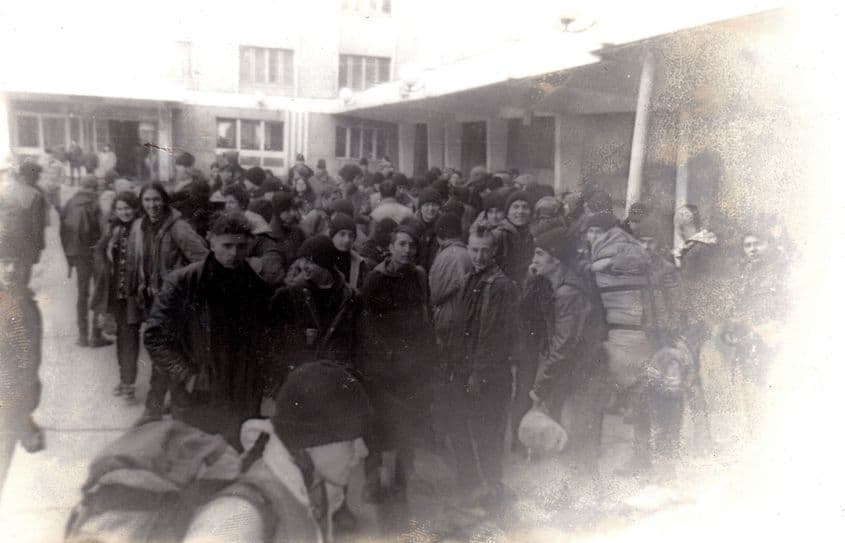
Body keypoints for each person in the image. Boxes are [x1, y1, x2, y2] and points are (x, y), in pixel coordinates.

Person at [183, 361, 371, 543]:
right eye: (351, 440)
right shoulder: (236, 516)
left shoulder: (318, 489)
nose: (363, 451)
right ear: (308, 442)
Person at [143, 214, 274, 448]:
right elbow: (155, 336)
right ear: (211, 241)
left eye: (241, 246)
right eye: (227, 246)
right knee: (195, 464)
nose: (234, 254)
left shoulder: (258, 288)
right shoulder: (184, 283)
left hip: (241, 399)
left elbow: (266, 343)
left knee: (233, 464)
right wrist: (186, 375)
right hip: (198, 397)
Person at [358, 225, 434, 504]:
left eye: (411, 245)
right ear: (390, 247)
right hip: (382, 365)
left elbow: (425, 318)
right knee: (376, 423)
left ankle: (401, 480)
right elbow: (365, 324)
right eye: (401, 244)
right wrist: (382, 353)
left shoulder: (418, 276)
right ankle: (372, 480)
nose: (407, 250)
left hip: (411, 364)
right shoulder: (376, 279)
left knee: (407, 421)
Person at [446, 225, 518, 506]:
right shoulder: (468, 279)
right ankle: (470, 482)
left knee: (488, 430)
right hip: (463, 366)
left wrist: (478, 372)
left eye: (485, 250)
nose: (479, 256)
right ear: (468, 248)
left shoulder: (501, 286)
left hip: (488, 370)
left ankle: (492, 487)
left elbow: (495, 336)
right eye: (474, 250)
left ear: (494, 250)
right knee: (457, 425)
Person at [529, 227, 607, 469]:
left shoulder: (567, 293)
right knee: (573, 443)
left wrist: (541, 386)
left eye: (539, 254)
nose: (534, 260)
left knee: (575, 442)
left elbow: (563, 345)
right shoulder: (560, 285)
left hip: (580, 377)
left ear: (556, 257)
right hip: (578, 374)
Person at [131, 182, 209, 424]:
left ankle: (159, 409)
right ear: (141, 203)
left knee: (166, 352)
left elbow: (203, 259)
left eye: (156, 200)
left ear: (164, 201)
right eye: (147, 200)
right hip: (152, 300)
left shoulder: (178, 227)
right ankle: (161, 408)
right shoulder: (140, 226)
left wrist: (179, 282)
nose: (152, 205)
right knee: (161, 353)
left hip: (176, 303)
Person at [92, 191, 143, 402]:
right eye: (120, 208)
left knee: (130, 339)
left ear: (135, 208)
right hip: (115, 295)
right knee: (121, 338)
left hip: (133, 296)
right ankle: (124, 380)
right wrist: (104, 268)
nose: (124, 212)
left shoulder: (142, 228)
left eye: (128, 208)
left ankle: (129, 383)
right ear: (115, 210)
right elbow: (98, 250)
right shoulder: (113, 228)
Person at [0, 257, 46, 490]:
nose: (9, 269)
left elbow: (28, 358)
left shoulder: (21, 306)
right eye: (2, 263)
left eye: (14, 262)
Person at [60, 175, 111, 347]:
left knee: (82, 294)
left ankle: (82, 336)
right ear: (94, 187)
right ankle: (96, 336)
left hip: (78, 254)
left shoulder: (70, 203)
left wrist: (70, 256)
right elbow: (105, 231)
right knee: (99, 292)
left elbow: (63, 231)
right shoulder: (96, 203)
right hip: (94, 252)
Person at [428, 213, 472, 357]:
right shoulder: (467, 253)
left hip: (447, 317)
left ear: (439, 235)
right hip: (463, 316)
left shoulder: (443, 255)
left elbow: (435, 294)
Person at [1, 161, 47, 287]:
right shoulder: (36, 195)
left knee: (9, 279)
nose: (38, 178)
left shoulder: (4, 191)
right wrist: (40, 246)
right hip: (26, 243)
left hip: (5, 240)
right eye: (37, 175)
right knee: (22, 283)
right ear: (30, 177)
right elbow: (38, 225)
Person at [493, 190, 535, 285]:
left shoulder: (532, 235)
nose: (520, 211)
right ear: (507, 212)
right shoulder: (498, 235)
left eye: (525, 207)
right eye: (515, 207)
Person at [329, 214, 368, 291]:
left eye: (351, 235)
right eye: (342, 234)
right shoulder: (321, 258)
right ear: (332, 235)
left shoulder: (359, 262)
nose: (347, 240)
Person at [269, 191, 306, 266]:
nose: (292, 213)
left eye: (293, 209)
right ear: (278, 212)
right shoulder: (273, 236)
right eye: (288, 210)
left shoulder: (294, 228)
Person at [412, 187, 443, 271]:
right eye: (426, 205)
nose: (431, 208)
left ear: (439, 206)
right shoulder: (412, 225)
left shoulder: (443, 226)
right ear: (420, 207)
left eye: (434, 204)